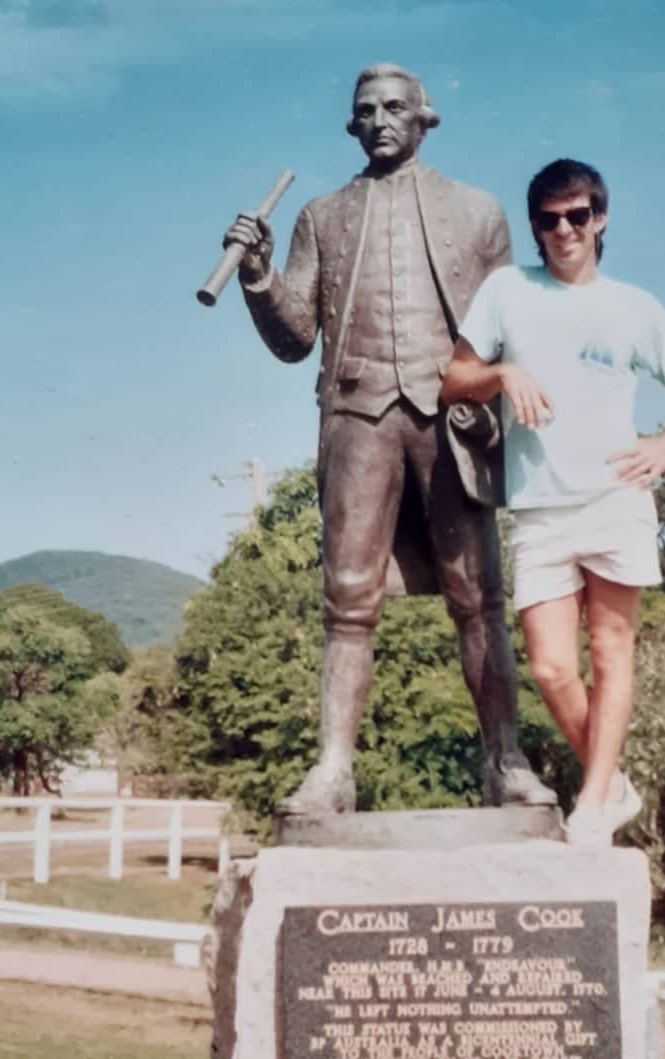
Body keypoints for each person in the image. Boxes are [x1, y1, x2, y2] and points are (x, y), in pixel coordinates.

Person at [224, 64, 555, 816]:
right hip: (357, 414)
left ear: (424, 118)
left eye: (394, 107)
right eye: (365, 110)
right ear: (352, 124)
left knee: (479, 596)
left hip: (452, 418)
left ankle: (505, 759)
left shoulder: (476, 212)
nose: (379, 119)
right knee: (346, 599)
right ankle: (333, 770)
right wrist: (257, 274)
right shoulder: (322, 216)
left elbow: (514, 328)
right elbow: (295, 337)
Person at [440, 158, 665, 843]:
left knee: (612, 651)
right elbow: (452, 378)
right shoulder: (507, 290)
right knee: (552, 667)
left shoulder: (635, 307)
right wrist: (502, 371)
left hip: (616, 498)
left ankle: (590, 805)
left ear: (601, 219)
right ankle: (613, 782)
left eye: (578, 216)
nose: (564, 229)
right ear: (533, 225)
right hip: (538, 506)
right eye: (549, 219)